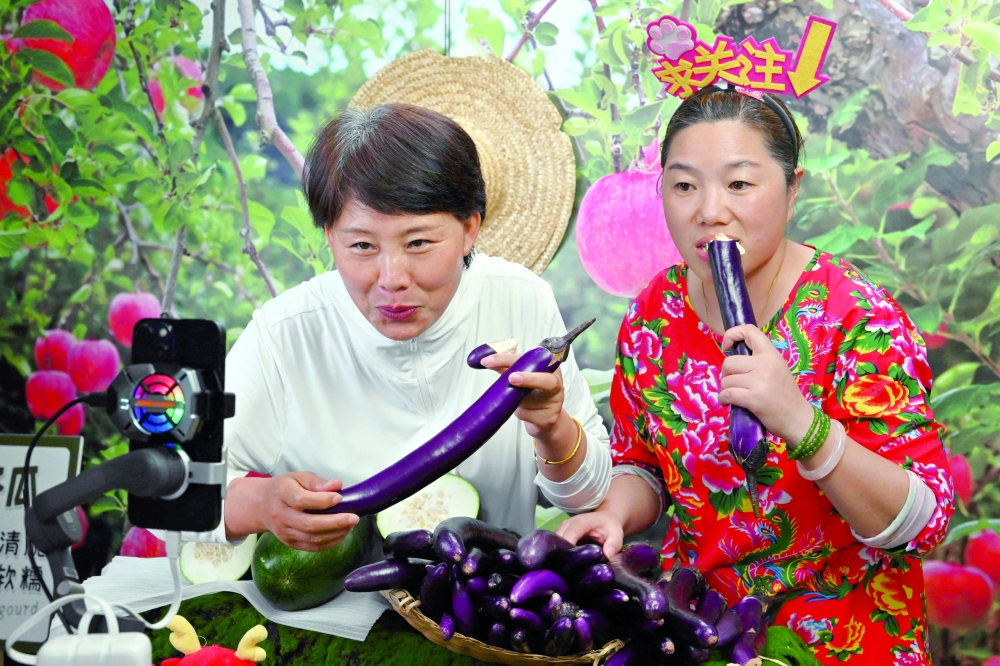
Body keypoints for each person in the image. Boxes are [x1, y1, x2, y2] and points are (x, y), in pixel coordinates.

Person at [556, 86, 954, 664]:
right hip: (701, 635)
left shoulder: (857, 317)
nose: (709, 210)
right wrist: (613, 513)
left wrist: (801, 423)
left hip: (845, 645)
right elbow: (643, 463)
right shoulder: (653, 313)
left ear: (793, 191)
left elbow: (923, 523)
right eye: (684, 185)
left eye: (739, 184)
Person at [216, 103, 611, 550]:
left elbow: (590, 494)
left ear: (469, 229)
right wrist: (260, 503)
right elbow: (169, 498)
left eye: (419, 242)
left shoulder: (520, 299)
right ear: (330, 237)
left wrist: (551, 427)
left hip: (486, 606)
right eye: (362, 245)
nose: (392, 278)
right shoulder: (285, 334)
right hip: (331, 616)